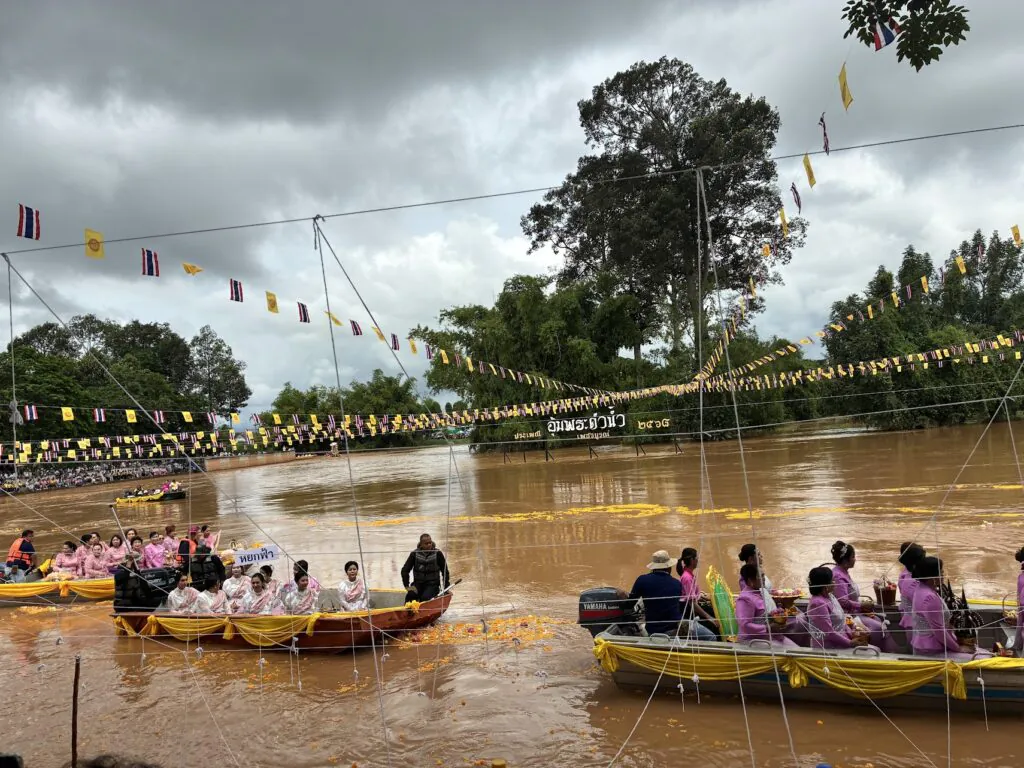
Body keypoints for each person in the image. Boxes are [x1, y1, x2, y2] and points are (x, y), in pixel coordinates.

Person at [830, 541, 895, 652]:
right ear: (846, 560)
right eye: (853, 557)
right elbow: (842, 601)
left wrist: (862, 606)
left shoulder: (844, 572)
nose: (855, 559)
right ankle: (879, 654)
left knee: (879, 619)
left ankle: (887, 650)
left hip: (855, 611)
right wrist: (861, 605)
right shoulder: (838, 576)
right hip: (847, 615)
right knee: (877, 628)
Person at [910, 556, 976, 660]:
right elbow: (939, 631)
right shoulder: (929, 598)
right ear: (933, 577)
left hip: (929, 645)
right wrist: (958, 648)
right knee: (981, 657)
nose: (943, 576)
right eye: (941, 573)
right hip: (932, 650)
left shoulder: (921, 588)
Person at [806, 566, 870, 650]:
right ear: (825, 585)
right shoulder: (817, 604)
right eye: (832, 580)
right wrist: (850, 643)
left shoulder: (830, 596)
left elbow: (841, 618)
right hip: (829, 648)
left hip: (842, 640)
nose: (835, 582)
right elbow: (828, 633)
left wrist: (854, 629)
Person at [735, 563, 797, 648]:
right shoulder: (745, 599)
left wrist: (775, 613)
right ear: (750, 581)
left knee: (795, 648)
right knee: (790, 652)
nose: (764, 579)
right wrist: (768, 628)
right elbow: (745, 625)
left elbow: (761, 615)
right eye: (761, 576)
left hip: (767, 635)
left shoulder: (758, 592)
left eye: (763, 575)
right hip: (752, 640)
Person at [627, 550, 686, 637]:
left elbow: (630, 603)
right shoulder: (677, 584)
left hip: (652, 630)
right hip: (674, 630)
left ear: (653, 567)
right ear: (669, 567)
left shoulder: (642, 580)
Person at [675, 548, 718, 640]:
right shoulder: (687, 578)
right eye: (697, 558)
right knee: (714, 623)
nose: (698, 560)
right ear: (692, 560)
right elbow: (692, 603)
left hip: (694, 606)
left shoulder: (690, 575)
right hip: (689, 612)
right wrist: (709, 617)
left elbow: (694, 595)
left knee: (715, 611)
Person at [401, 533, 450, 602]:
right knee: (410, 595)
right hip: (417, 584)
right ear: (421, 544)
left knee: (425, 598)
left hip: (433, 585)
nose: (429, 545)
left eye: (430, 542)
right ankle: (409, 611)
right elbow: (404, 570)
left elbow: (445, 571)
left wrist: (446, 588)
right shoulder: (414, 554)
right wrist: (407, 586)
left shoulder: (438, 553)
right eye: (426, 543)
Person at [738, 543, 777, 612]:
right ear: (751, 559)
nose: (761, 556)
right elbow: (754, 600)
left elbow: (767, 591)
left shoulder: (759, 571)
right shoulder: (746, 579)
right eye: (758, 554)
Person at [898, 542, 926, 632]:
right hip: (914, 622)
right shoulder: (911, 582)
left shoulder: (907, 573)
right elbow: (921, 604)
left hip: (912, 618)